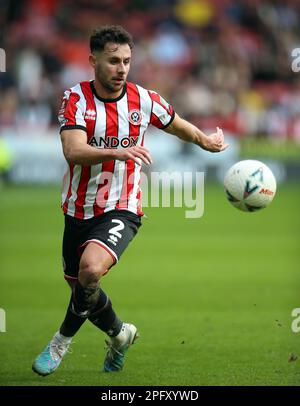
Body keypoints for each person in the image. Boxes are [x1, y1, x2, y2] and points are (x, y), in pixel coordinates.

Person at [32, 25, 228, 376]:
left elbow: (175, 123)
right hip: (77, 210)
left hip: (122, 207)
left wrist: (204, 141)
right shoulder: (75, 99)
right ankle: (120, 334)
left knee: (90, 270)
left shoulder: (144, 99)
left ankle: (59, 342)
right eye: (113, 61)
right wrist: (119, 152)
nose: (121, 69)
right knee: (85, 291)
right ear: (93, 61)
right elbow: (73, 151)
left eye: (126, 61)